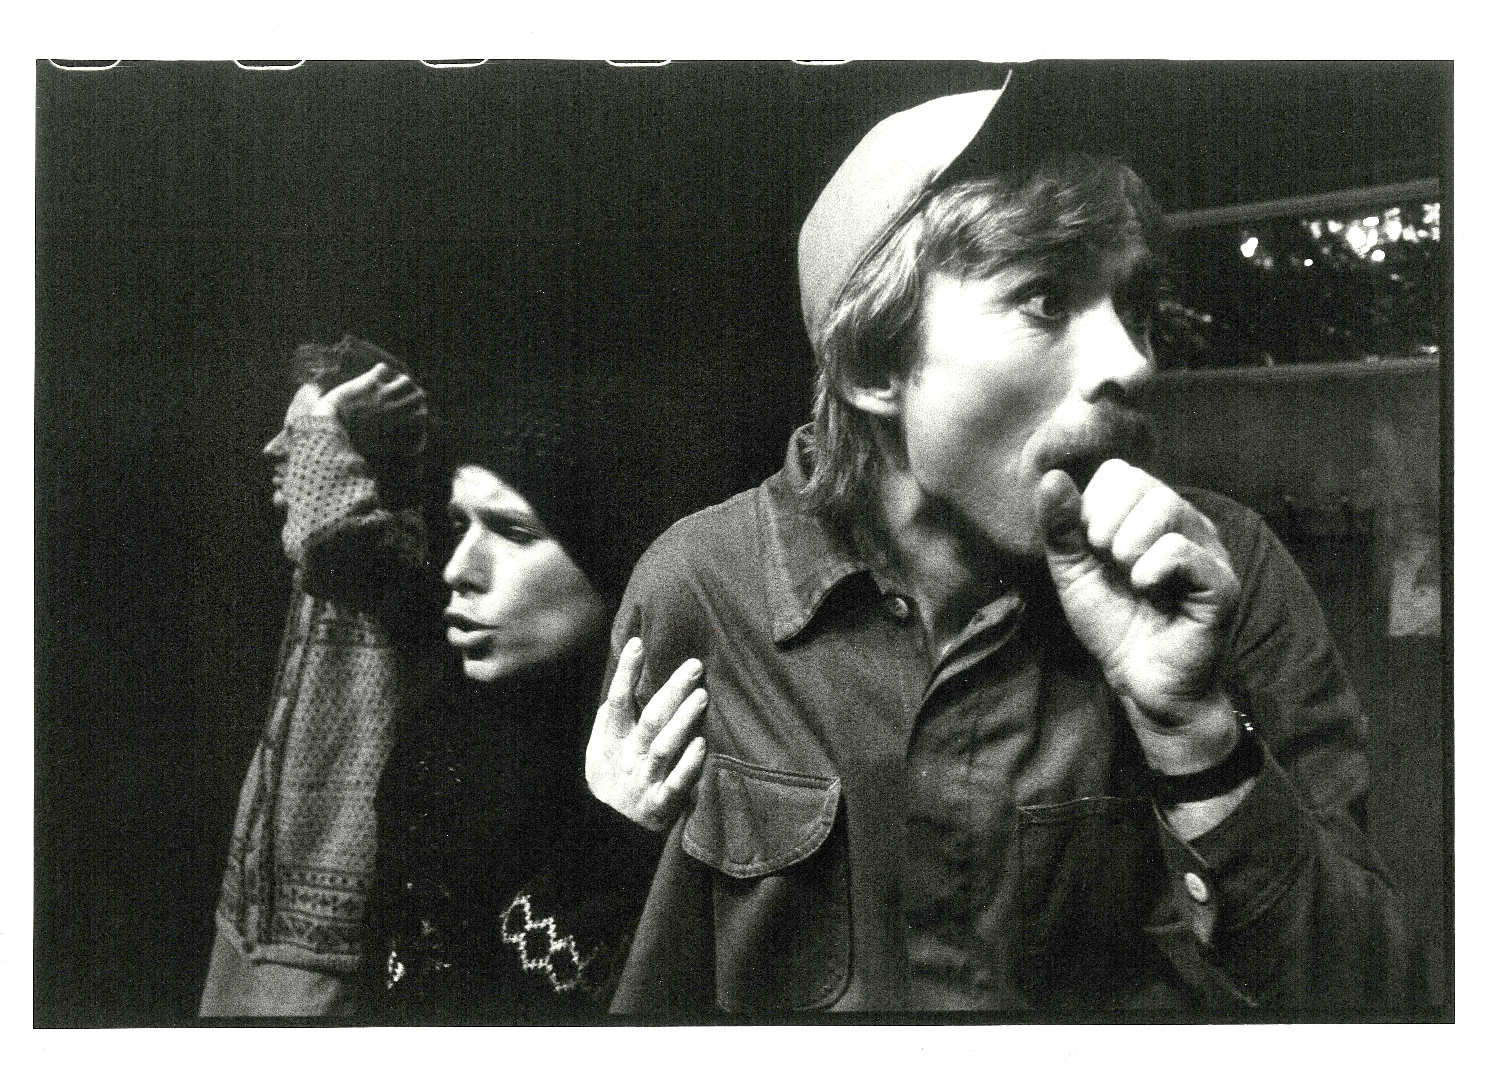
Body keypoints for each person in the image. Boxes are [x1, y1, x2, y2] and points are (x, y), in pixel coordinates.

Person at [586, 79, 1427, 1013]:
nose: (1132, 361)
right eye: (1044, 299)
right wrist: (607, 845)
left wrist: (1193, 730)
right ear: (873, 363)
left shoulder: (1227, 577)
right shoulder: (702, 589)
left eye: (1134, 308)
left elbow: (1378, 1009)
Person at [367, 392, 704, 1022]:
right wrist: (613, 838)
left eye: (514, 532)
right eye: (459, 525)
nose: (459, 569)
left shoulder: (698, 737)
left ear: (611, 553)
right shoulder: (435, 747)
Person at [201, 336, 436, 1017]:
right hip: (255, 921)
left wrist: (323, 419)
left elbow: (333, 544)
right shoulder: (334, 551)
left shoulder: (408, 547)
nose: (278, 448)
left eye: (303, 431)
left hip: (328, 956)